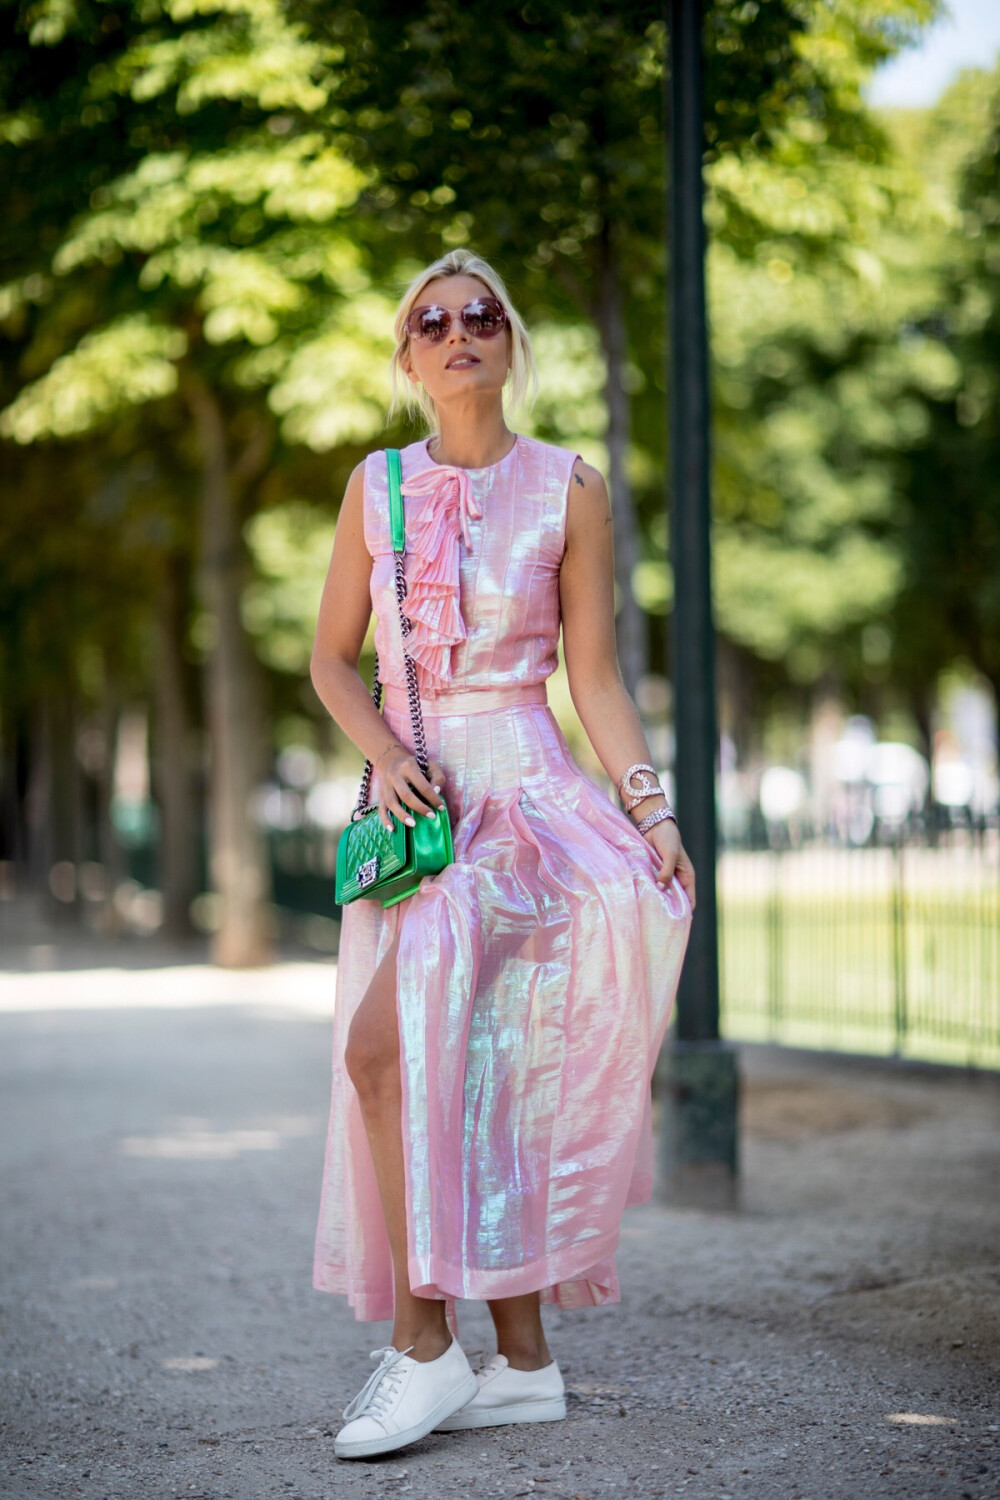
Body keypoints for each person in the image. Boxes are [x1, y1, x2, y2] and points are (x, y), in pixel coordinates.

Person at [310, 248, 694, 1460]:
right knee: (432, 1066)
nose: (458, 332)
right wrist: (384, 749)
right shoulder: (374, 487)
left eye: (482, 316)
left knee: (405, 1055)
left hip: (527, 811)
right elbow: (330, 658)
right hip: (417, 812)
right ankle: (518, 1361)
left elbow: (592, 677)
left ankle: (427, 1348)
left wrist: (651, 808)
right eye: (432, 320)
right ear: (406, 354)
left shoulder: (569, 488)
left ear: (511, 343)